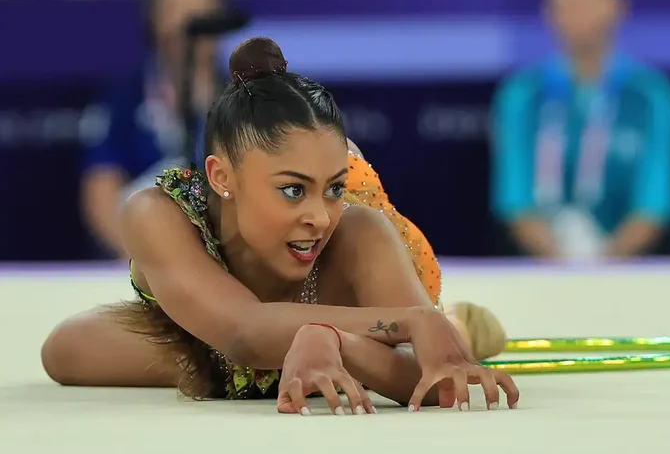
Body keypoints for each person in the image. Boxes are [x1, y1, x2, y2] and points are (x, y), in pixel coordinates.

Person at [42, 37, 519, 415]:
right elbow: (245, 332)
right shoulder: (157, 213)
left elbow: (427, 381)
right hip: (206, 335)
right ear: (221, 177)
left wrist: (342, 342)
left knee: (441, 332)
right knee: (65, 351)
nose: (319, 215)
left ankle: (459, 321)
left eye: (333, 188)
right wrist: (407, 322)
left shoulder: (358, 231)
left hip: (348, 301)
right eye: (292, 190)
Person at [489, 0, 670, 260]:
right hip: (540, 271)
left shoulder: (652, 94)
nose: (571, 9)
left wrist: (604, 264)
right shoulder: (521, 94)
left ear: (617, 4)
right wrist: (563, 264)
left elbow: (655, 201)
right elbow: (516, 198)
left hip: (629, 273)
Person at [79, 0, 224, 259]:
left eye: (200, 11)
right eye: (176, 10)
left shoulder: (249, 95)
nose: (188, 22)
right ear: (153, 22)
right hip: (141, 254)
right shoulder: (123, 99)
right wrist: (141, 264)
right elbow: (101, 192)